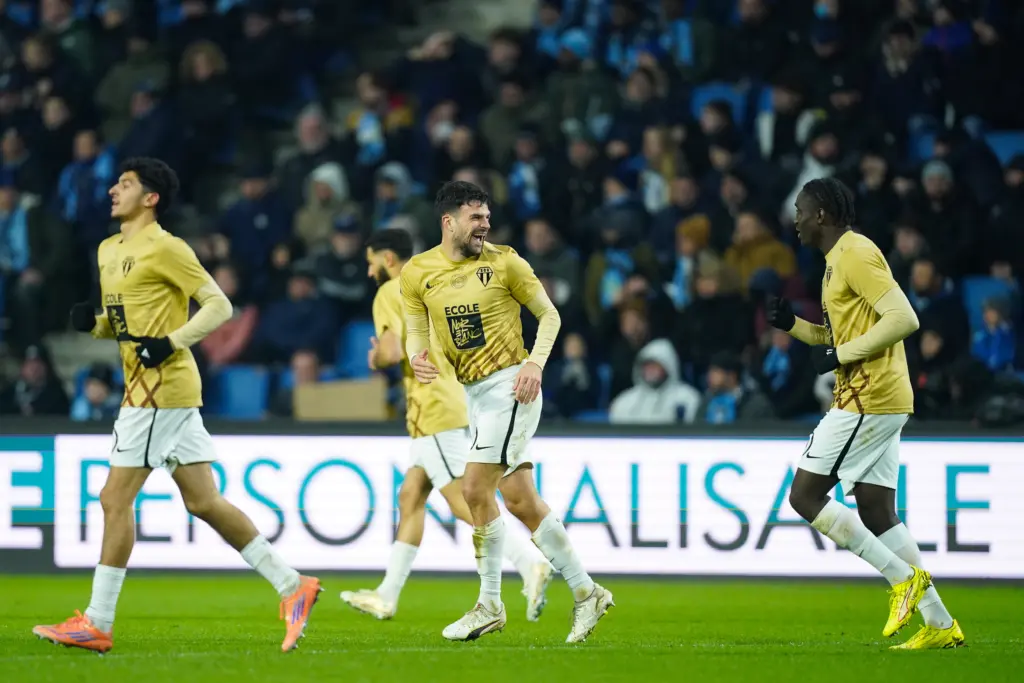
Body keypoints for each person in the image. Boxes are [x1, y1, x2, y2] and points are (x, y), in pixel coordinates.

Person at [32, 158, 321, 654]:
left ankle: (97, 622)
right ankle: (292, 585)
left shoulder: (168, 247)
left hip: (158, 390)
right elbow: (124, 323)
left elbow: (219, 305)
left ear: (151, 198)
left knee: (114, 499)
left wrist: (171, 342)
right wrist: (95, 325)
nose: (112, 191)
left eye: (125, 185)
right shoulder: (107, 250)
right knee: (203, 502)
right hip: (151, 389)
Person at [400, 181, 613, 643]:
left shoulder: (505, 261)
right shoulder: (418, 272)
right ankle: (587, 592)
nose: (485, 225)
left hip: (511, 385)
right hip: (474, 394)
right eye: (475, 217)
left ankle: (490, 604)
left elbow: (550, 315)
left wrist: (535, 363)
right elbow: (416, 326)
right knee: (519, 500)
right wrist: (417, 355)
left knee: (474, 488)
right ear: (448, 221)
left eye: (487, 217)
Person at [766, 177, 964, 650]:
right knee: (876, 509)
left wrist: (841, 356)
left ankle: (901, 578)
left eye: (799, 208)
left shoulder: (855, 253)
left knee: (804, 496)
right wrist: (793, 326)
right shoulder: (836, 261)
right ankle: (941, 626)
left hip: (867, 397)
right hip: (876, 396)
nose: (793, 218)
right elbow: (839, 340)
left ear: (821, 214)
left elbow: (904, 318)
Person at [340, 228, 554, 621]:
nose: (370, 272)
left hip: (433, 409)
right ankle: (387, 594)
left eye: (371, 262)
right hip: (457, 399)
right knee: (411, 497)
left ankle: (530, 564)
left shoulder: (393, 291)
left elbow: (388, 351)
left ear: (387, 259)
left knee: (464, 501)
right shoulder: (435, 283)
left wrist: (375, 360)